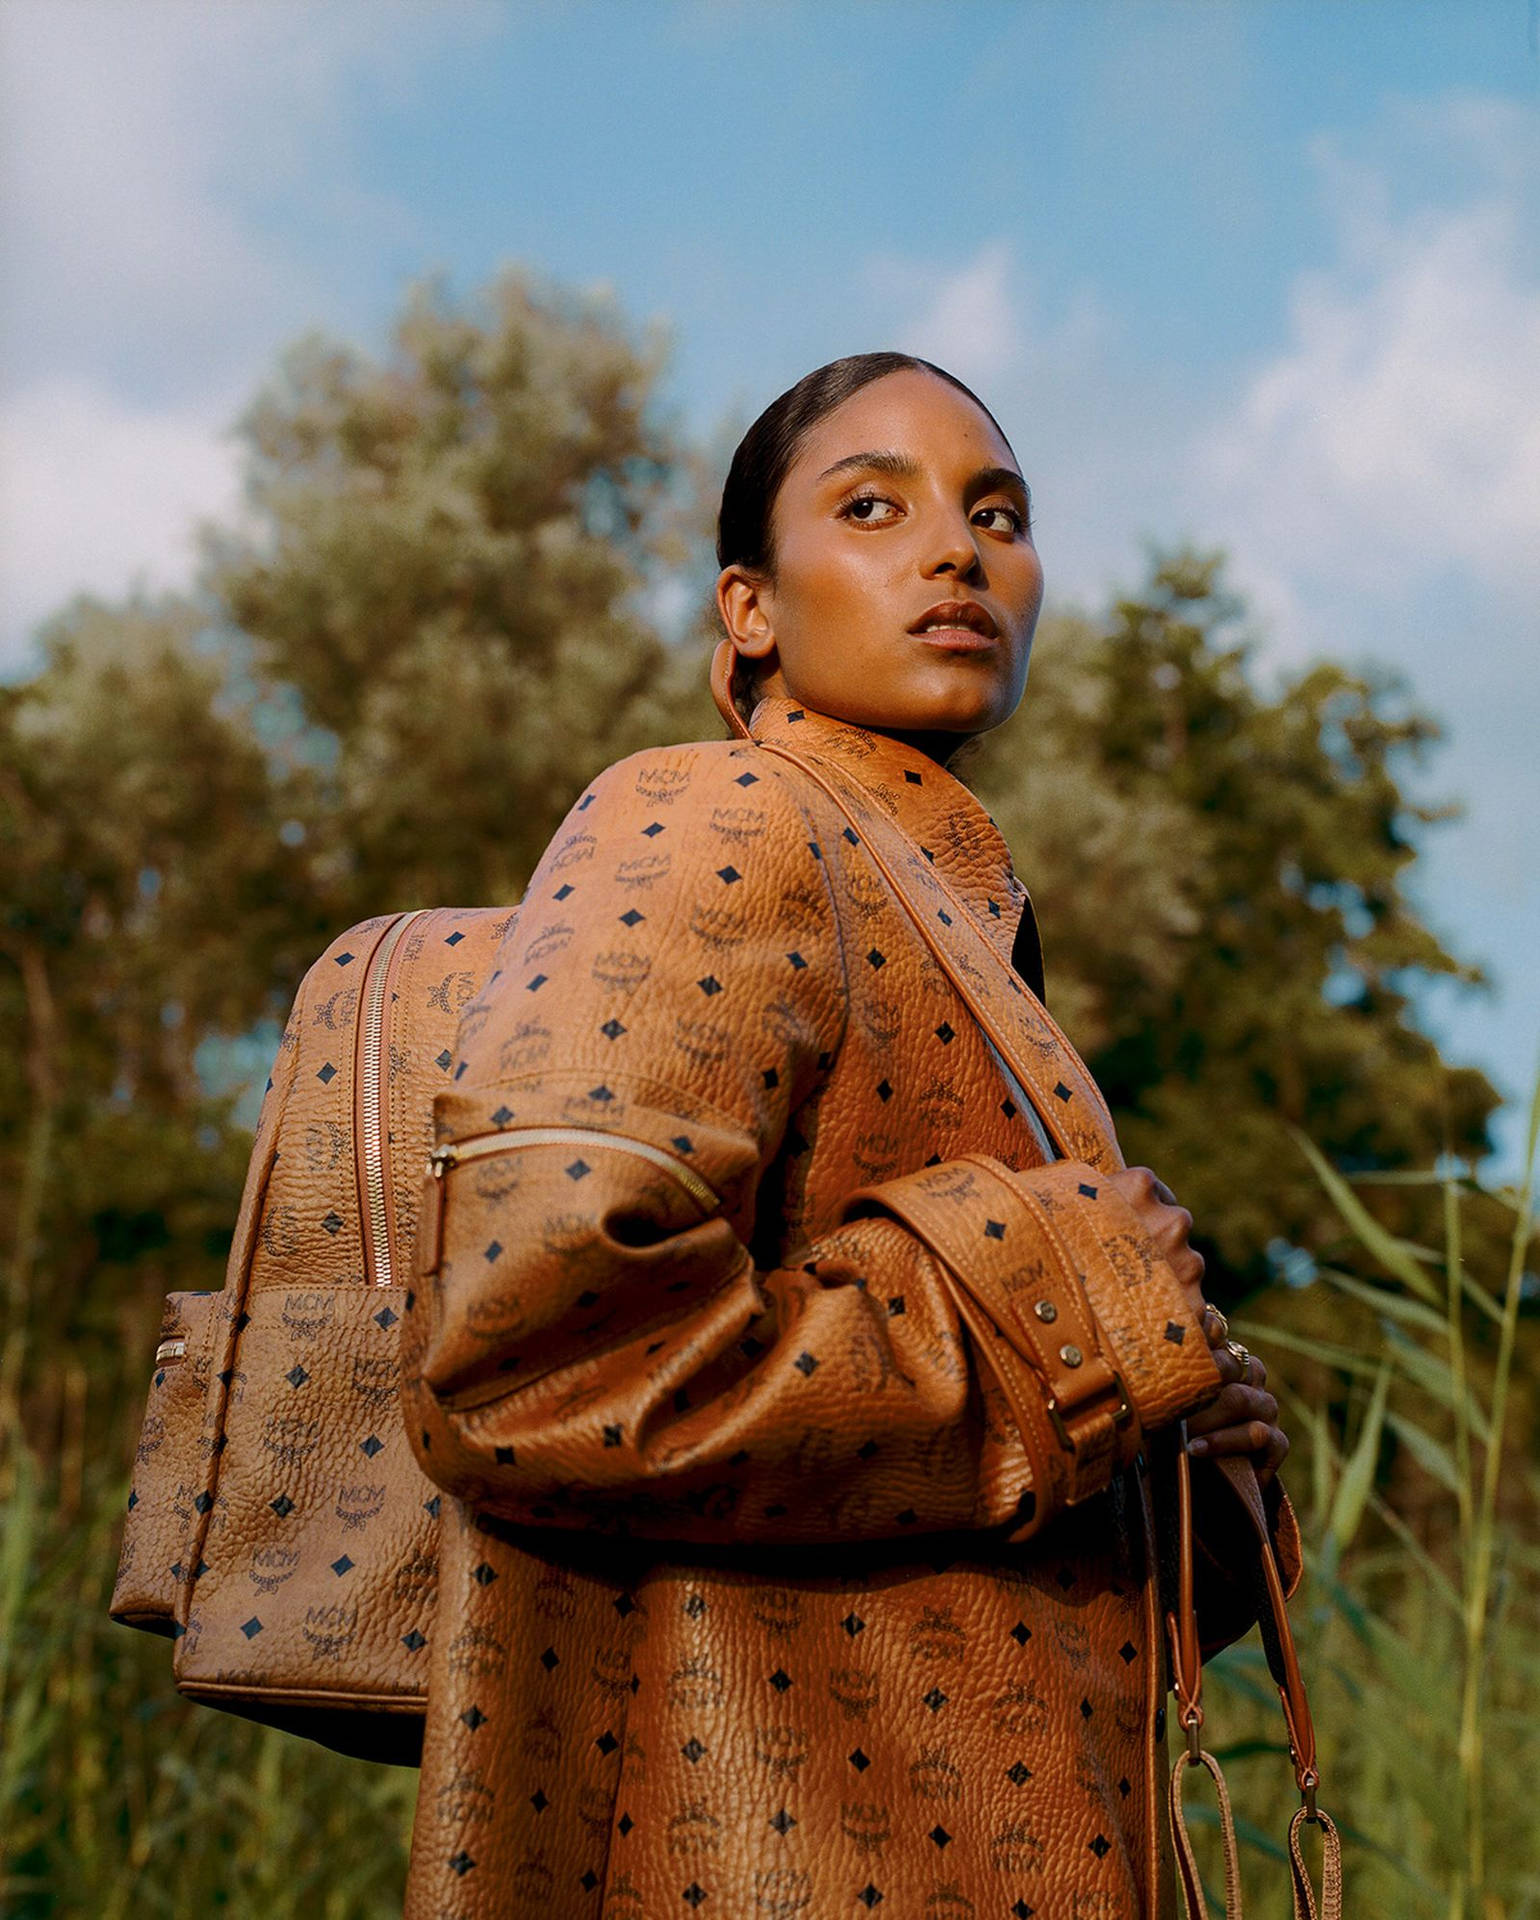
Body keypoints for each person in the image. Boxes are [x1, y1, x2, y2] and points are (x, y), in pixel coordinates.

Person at [397, 353, 1295, 1920]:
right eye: (872, 505)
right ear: (747, 609)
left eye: (998, 514)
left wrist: (1176, 1438)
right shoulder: (717, 814)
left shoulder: (962, 928)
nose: (959, 552)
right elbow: (531, 1356)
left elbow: (974, 1551)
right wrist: (1054, 1324)